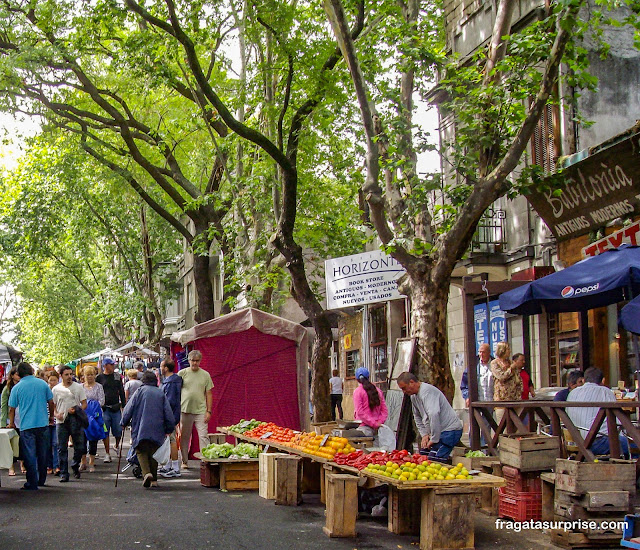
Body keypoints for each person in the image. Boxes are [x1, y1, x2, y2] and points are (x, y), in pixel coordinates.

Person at [121, 371, 176, 488]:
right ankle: (154, 480)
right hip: (157, 428)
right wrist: (170, 427)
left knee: (140, 450)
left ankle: (146, 473)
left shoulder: (139, 392)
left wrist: (123, 422)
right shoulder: (160, 393)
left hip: (140, 427)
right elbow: (168, 412)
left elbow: (128, 409)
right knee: (153, 453)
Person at [8, 362, 54, 490]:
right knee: (43, 453)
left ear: (18, 373)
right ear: (32, 371)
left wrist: (11, 423)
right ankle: (42, 479)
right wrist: (51, 416)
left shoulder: (17, 388)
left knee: (29, 455)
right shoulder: (43, 384)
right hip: (42, 423)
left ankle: (32, 482)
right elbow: (51, 402)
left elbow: (11, 408)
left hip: (26, 425)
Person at [397, 372, 463, 461]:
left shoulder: (427, 392)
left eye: (404, 388)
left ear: (412, 382)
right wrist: (424, 434)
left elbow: (433, 414)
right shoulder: (413, 396)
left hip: (449, 431)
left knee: (433, 460)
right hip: (436, 432)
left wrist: (434, 438)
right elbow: (417, 416)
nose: (404, 392)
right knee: (423, 455)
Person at [566, 367, 632, 457]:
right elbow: (617, 421)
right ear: (603, 380)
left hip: (578, 442)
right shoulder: (605, 392)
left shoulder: (572, 393)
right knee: (632, 446)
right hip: (598, 441)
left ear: (584, 380)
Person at [178, 350, 214, 468]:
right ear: (188, 361)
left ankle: (205, 461)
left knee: (203, 436)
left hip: (200, 411)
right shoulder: (182, 373)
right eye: (192, 360)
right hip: (185, 410)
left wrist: (209, 411)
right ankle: (184, 460)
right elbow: (176, 391)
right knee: (184, 436)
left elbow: (209, 393)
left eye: (197, 361)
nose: (194, 363)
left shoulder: (205, 375)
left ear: (200, 361)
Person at [52, 365, 87, 482]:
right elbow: (54, 406)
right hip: (61, 421)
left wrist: (77, 409)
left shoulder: (78, 387)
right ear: (61, 376)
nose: (69, 377)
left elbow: (84, 404)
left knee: (80, 446)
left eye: (70, 374)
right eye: (66, 375)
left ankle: (75, 465)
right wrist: (56, 414)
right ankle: (63, 473)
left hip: (76, 420)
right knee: (61, 447)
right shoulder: (56, 389)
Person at [96, 357, 125, 463]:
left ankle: (116, 445)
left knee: (118, 430)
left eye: (114, 365)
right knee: (105, 431)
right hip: (104, 409)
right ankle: (107, 453)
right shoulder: (99, 378)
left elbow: (121, 391)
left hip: (116, 407)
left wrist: (124, 405)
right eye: (111, 364)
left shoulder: (117, 377)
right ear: (105, 366)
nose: (113, 366)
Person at [159, 358, 182, 478]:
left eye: (162, 366)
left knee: (172, 440)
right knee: (168, 441)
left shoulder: (170, 383)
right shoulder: (172, 381)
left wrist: (167, 417)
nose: (160, 368)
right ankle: (168, 465)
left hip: (170, 416)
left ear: (166, 368)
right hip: (172, 415)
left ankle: (175, 467)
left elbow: (170, 402)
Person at [81, 365, 105, 472]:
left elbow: (102, 401)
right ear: (84, 376)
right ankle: (83, 462)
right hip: (82, 416)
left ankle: (92, 462)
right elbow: (77, 400)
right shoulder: (80, 387)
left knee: (93, 439)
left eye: (91, 374)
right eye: (87, 375)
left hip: (95, 416)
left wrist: (91, 406)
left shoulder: (99, 387)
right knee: (82, 439)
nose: (90, 377)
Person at [352, 367, 388, 440]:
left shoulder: (358, 392)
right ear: (368, 377)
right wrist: (378, 423)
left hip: (364, 429)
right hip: (378, 429)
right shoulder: (378, 391)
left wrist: (372, 423)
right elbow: (384, 410)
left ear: (357, 379)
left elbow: (360, 412)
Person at [1, 366, 21, 476]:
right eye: (17, 374)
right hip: (10, 418)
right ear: (12, 375)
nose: (19, 376)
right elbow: (4, 406)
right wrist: (4, 422)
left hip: (22, 418)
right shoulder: (7, 388)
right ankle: (11, 466)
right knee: (9, 444)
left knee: (20, 442)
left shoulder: (23, 386)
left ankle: (22, 464)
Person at [460, 343, 494, 407]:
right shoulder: (473, 365)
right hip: (478, 402)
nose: (481, 355)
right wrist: (467, 397)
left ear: (489, 352)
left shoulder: (495, 364)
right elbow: (464, 383)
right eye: (480, 352)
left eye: (483, 352)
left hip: (493, 402)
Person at [46, 373, 60, 476]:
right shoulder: (45, 391)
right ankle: (49, 465)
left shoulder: (59, 391)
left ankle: (57, 465)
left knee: (56, 444)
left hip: (57, 421)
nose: (52, 382)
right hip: (46, 421)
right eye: (50, 380)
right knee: (47, 445)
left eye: (54, 380)